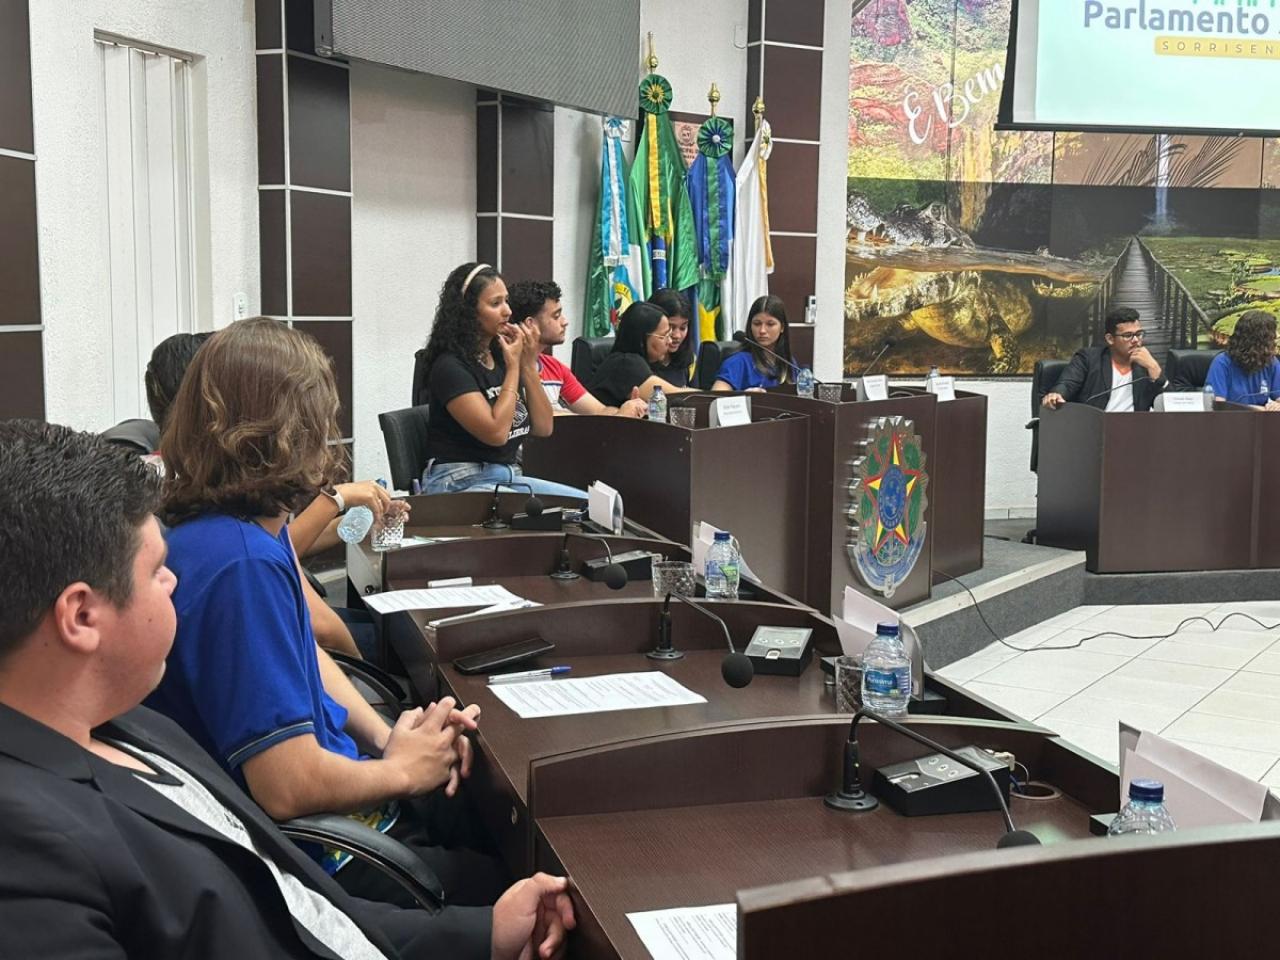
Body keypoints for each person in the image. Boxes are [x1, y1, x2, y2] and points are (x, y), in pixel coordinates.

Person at [0, 418, 575, 960]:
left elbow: (296, 909)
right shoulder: (29, 859)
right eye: (155, 571)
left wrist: (483, 934)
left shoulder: (132, 725)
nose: (175, 582)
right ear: (81, 616)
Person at [145, 318, 509, 945]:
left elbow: (306, 653)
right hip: (325, 861)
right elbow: (286, 786)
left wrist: (389, 737)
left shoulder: (237, 530)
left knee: (476, 801)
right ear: (290, 428)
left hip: (344, 810)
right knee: (510, 876)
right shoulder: (241, 565)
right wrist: (403, 772)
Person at [141, 328, 383, 661]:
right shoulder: (245, 559)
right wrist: (336, 499)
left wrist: (351, 522)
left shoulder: (214, 512)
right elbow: (319, 628)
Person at [417, 263, 586, 497]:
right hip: (459, 480)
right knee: (538, 513)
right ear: (468, 312)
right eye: (495, 303)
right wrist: (515, 367)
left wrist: (527, 364)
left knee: (586, 505)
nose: (507, 311)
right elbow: (496, 433)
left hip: (506, 475)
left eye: (506, 301)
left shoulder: (502, 357)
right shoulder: (450, 367)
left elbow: (544, 427)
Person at [507, 278, 646, 417]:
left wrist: (626, 412)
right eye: (556, 316)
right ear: (530, 324)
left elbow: (599, 411)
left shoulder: (555, 367)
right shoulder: (508, 368)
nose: (565, 322)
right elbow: (534, 417)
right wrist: (617, 417)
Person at [1041, 308, 1167, 412]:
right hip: (1095, 428)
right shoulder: (1088, 359)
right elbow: (1067, 383)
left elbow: (1170, 406)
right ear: (1110, 339)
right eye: (1128, 335)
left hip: (1133, 430)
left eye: (1139, 334)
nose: (1135, 340)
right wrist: (1057, 394)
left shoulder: (1147, 364)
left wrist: (1155, 370)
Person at [586, 301, 694, 407]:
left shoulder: (645, 362)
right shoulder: (625, 364)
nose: (670, 341)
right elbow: (677, 398)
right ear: (641, 340)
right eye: (664, 336)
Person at [713, 295, 793, 392]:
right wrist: (744, 396)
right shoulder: (737, 362)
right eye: (757, 324)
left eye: (770, 324)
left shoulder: (789, 362)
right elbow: (717, 396)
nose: (762, 330)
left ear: (782, 327)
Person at [1205, 309, 1280, 410]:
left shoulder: (1271, 361)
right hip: (1232, 419)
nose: (1277, 336)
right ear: (1258, 339)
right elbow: (1218, 406)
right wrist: (1258, 409)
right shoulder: (1222, 363)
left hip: (1262, 419)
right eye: (1271, 335)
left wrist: (1277, 405)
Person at [648, 288, 695, 387]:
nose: (677, 335)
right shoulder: (635, 364)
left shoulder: (688, 361)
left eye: (683, 328)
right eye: (671, 327)